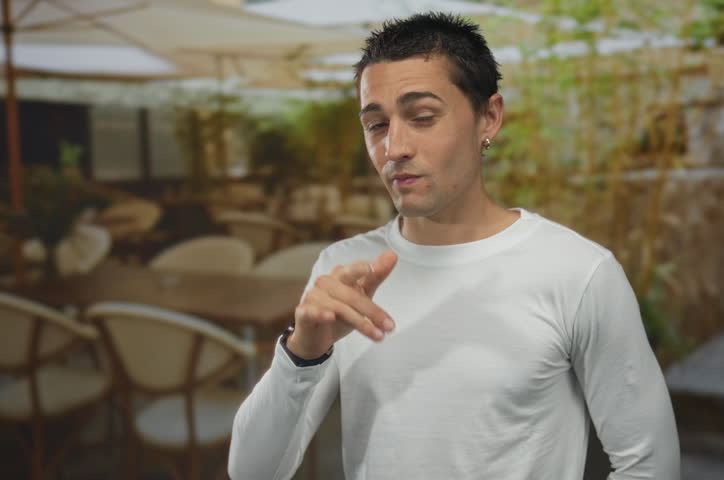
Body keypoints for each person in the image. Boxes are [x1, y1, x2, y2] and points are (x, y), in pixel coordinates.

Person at [228, 12, 680, 480]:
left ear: (489, 117)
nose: (394, 147)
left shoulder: (578, 272)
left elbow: (649, 463)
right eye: (377, 125)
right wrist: (303, 352)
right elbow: (251, 472)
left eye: (422, 117)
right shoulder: (344, 269)